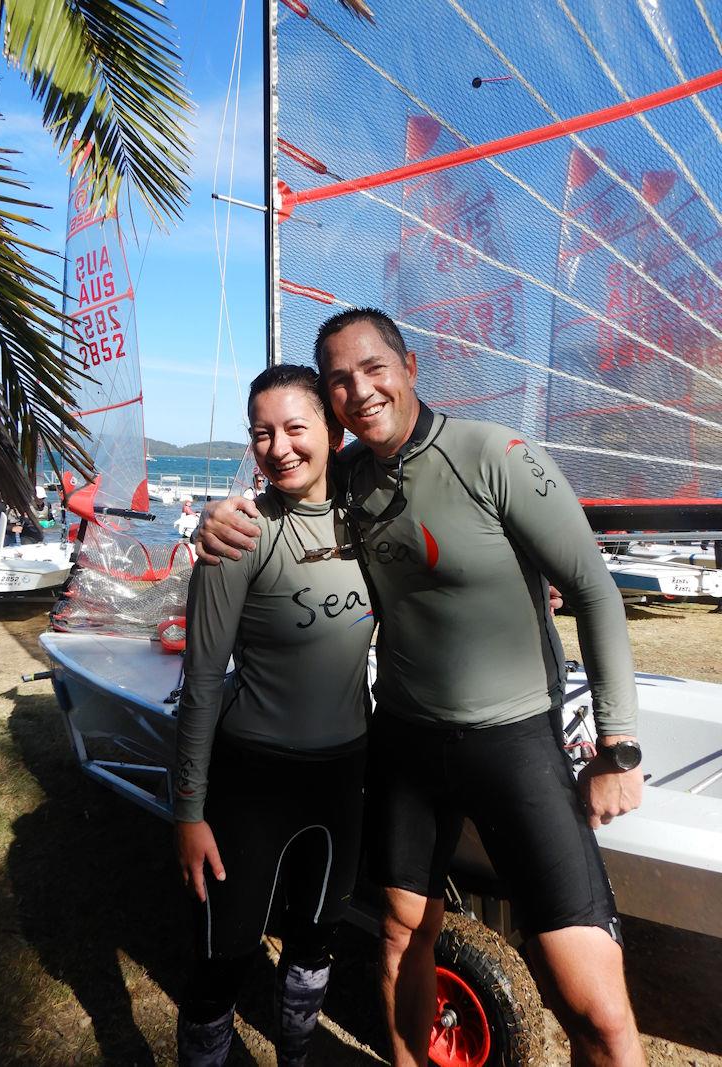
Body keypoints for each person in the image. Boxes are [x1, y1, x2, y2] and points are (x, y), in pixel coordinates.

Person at [194, 308, 646, 1067]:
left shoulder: (492, 452)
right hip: (404, 741)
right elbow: (283, 494)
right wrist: (210, 525)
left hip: (512, 741)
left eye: (373, 368)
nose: (359, 390)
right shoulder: (349, 481)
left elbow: (594, 589)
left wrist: (619, 740)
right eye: (339, 380)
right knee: (402, 938)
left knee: (594, 1008)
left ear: (410, 365)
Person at [174, 364, 374, 1066]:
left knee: (315, 944)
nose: (279, 446)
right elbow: (200, 681)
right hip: (252, 781)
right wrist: (189, 811)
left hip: (343, 772)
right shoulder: (238, 535)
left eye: (296, 427)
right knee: (221, 960)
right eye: (262, 432)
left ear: (333, 430)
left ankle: (297, 1054)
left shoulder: (369, 520)